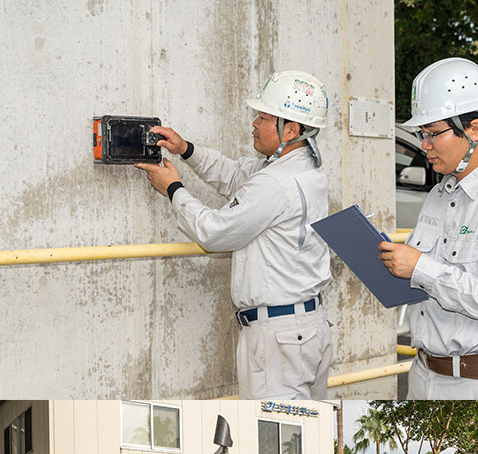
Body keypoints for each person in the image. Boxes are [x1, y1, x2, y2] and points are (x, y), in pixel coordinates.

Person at [135, 70, 332, 401]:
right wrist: (185, 149)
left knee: (275, 420)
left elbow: (214, 233)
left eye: (264, 117)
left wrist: (173, 189)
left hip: (278, 338)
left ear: (291, 129)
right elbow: (234, 174)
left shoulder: (276, 182)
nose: (254, 123)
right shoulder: (302, 170)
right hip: (306, 330)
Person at [380, 58, 478, 400]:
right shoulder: (440, 194)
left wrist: (420, 267)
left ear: (475, 130)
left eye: (433, 133)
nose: (424, 145)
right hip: (423, 376)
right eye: (421, 134)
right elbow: (421, 277)